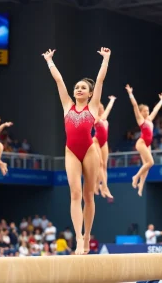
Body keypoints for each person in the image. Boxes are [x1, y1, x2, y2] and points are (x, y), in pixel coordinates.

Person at [42, 47, 111, 255]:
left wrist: (106, 59)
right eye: (77, 87)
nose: (79, 89)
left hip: (89, 151)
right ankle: (79, 239)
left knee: (89, 196)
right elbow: (59, 81)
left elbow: (99, 81)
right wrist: (49, 61)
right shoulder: (67, 106)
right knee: (75, 193)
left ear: (90, 94)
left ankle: (88, 234)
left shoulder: (92, 107)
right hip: (71, 151)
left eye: (83, 88)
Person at [125, 85, 162, 196]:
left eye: (148, 110)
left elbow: (156, 109)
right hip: (142, 142)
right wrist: (130, 93)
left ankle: (140, 187)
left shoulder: (149, 119)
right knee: (151, 162)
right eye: (145, 111)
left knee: (147, 166)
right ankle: (136, 177)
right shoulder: (140, 119)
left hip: (148, 144)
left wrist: (161, 100)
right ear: (141, 112)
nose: (147, 112)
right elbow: (134, 105)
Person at [93, 96, 116, 198]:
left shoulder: (104, 117)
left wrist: (112, 100)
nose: (102, 110)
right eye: (99, 109)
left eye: (102, 109)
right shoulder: (95, 118)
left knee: (104, 166)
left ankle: (99, 186)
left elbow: (108, 108)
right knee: (100, 164)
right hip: (96, 141)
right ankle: (105, 187)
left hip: (104, 143)